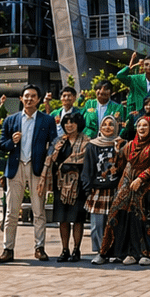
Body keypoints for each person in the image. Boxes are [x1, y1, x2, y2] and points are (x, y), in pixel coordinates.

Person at [0, 85, 59, 263]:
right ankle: (8, 249)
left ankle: (39, 248)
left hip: (36, 168)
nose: (29, 99)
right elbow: (2, 144)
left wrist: (48, 163)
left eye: (33, 96)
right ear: (21, 98)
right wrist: (12, 141)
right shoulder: (11, 120)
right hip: (15, 168)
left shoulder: (47, 120)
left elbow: (53, 142)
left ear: (38, 99)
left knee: (39, 211)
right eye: (26, 96)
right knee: (11, 211)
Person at [103, 114, 150, 265]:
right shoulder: (130, 145)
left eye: (145, 125)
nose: (141, 128)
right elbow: (119, 165)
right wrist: (117, 151)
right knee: (122, 216)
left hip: (149, 188)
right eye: (139, 126)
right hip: (128, 186)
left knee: (146, 219)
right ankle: (128, 252)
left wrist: (141, 178)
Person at [42, 109, 90, 262]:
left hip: (79, 185)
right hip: (60, 184)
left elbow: (88, 163)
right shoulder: (58, 141)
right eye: (66, 123)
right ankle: (64, 249)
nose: (69, 125)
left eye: (72, 122)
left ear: (78, 124)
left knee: (77, 219)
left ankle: (76, 249)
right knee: (62, 219)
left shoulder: (86, 142)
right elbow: (50, 159)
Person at [84, 114, 124, 264]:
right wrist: (87, 188)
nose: (108, 127)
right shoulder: (92, 145)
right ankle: (101, 252)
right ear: (100, 128)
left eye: (111, 124)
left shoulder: (122, 144)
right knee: (97, 225)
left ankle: (116, 251)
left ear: (116, 127)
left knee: (115, 223)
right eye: (104, 124)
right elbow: (87, 168)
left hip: (116, 190)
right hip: (98, 190)